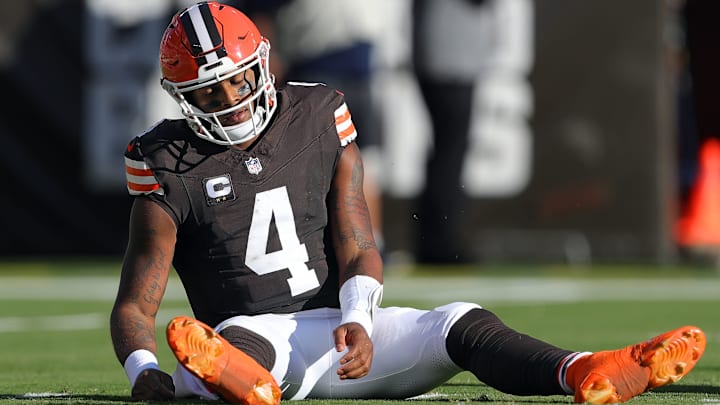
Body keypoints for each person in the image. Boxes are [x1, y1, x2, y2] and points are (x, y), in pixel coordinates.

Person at [110, 2, 706, 404]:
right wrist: (144, 374)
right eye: (207, 93)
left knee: (458, 320)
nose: (230, 102)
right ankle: (234, 384)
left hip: (340, 331)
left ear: (262, 64)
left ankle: (584, 368)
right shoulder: (163, 159)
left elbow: (357, 241)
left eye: (236, 82)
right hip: (254, 335)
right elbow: (138, 300)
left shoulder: (317, 112)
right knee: (225, 343)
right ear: (180, 97)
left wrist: (359, 319)